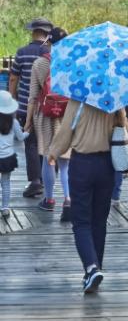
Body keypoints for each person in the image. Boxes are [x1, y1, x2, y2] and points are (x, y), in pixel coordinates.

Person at [48, 100, 128, 293]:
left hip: (82, 163)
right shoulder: (114, 100)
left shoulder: (78, 100)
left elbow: (66, 132)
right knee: (99, 222)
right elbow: (124, 128)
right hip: (107, 165)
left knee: (81, 221)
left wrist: (52, 153)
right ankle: (94, 270)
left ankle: (91, 268)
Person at [24, 27, 71, 221]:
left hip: (44, 116)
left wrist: (27, 122)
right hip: (67, 114)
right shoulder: (72, 63)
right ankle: (68, 199)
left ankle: (49, 199)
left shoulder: (39, 63)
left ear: (49, 42)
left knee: (48, 159)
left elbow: (33, 96)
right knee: (66, 162)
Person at [9, 17, 52, 198]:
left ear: (33, 32)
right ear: (46, 33)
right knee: (45, 141)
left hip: (27, 104)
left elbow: (13, 79)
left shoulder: (22, 52)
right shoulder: (52, 53)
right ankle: (44, 180)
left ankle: (35, 181)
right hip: (50, 106)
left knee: (31, 143)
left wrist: (12, 99)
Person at [0, 91, 29, 218]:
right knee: (5, 182)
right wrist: (28, 132)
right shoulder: (14, 122)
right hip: (7, 158)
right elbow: (21, 138)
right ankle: (5, 208)